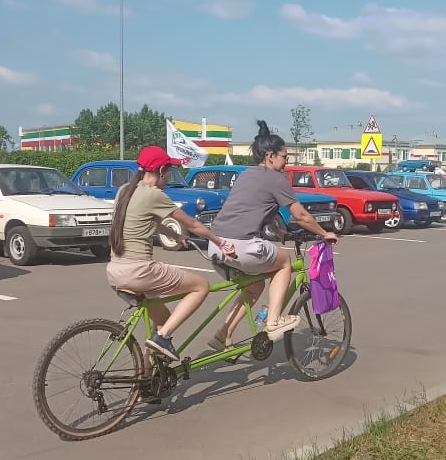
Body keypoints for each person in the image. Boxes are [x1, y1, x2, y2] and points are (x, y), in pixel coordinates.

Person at [208, 120, 339, 347]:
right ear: (270, 156)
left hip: (216, 245)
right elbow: (300, 215)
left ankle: (223, 335)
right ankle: (274, 320)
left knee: (255, 287)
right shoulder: (276, 179)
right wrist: (323, 233)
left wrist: (279, 231)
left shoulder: (246, 175)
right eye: (284, 157)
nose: (286, 162)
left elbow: (257, 207)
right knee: (284, 262)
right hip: (241, 245)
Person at [106, 146, 234, 364]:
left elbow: (148, 222)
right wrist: (220, 242)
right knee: (201, 286)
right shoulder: (155, 194)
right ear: (161, 171)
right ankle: (163, 338)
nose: (169, 176)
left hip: (114, 271)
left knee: (164, 319)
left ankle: (147, 373)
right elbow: (192, 223)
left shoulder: (125, 190)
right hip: (139, 272)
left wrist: (175, 235)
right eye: (170, 171)